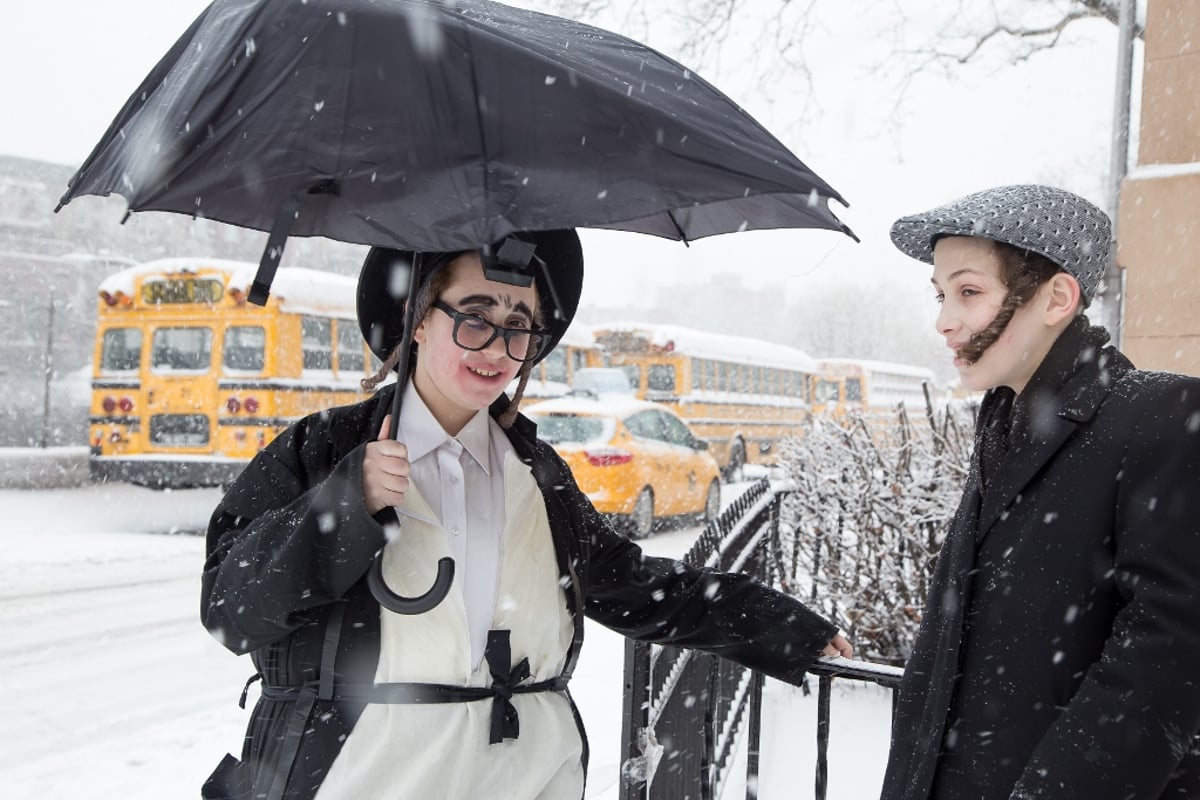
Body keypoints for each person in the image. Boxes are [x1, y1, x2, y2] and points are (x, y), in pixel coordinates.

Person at [200, 228, 851, 800]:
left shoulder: (538, 474)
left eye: (520, 325)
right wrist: (348, 503)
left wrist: (785, 629)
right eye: (475, 316)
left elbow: (637, 587)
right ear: (417, 319)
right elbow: (231, 610)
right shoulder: (322, 452)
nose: (498, 348)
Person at [880, 185, 1200, 799]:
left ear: (1057, 297)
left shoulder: (1157, 416)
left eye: (969, 292)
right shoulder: (1004, 420)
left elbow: (1167, 663)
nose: (944, 320)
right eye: (942, 294)